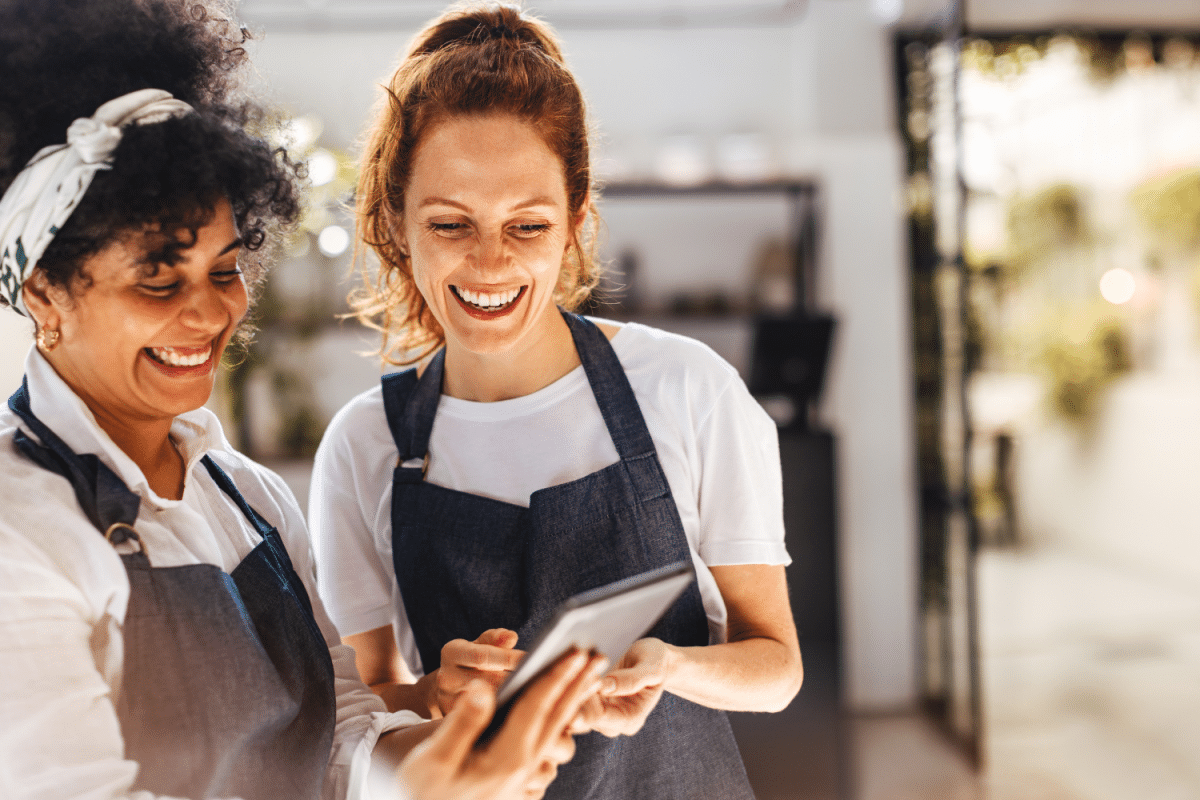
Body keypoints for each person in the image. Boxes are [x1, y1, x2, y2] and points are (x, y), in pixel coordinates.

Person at [0, 1, 607, 799]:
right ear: (44, 292)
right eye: (157, 279)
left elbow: (338, 734)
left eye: (225, 270)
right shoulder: (20, 528)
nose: (209, 313)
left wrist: (450, 752)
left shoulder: (249, 499)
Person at [309, 3, 805, 798]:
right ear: (397, 225)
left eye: (528, 227)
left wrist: (669, 664)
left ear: (575, 221)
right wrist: (431, 693)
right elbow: (358, 704)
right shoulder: (366, 444)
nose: (490, 264)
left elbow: (776, 668)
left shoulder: (686, 389)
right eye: (451, 224)